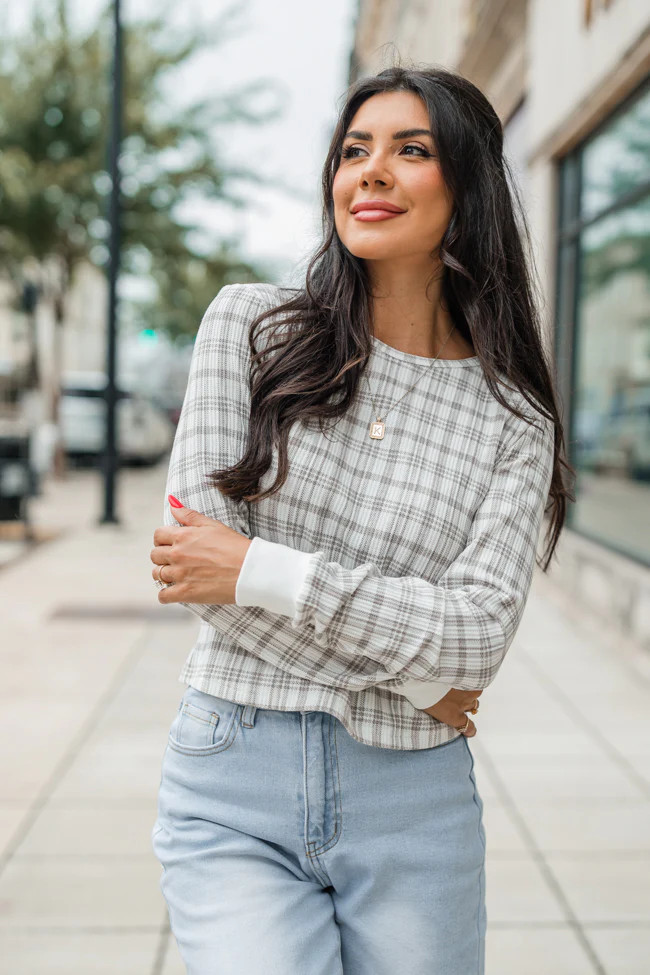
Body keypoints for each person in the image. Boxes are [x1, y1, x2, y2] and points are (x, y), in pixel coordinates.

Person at [149, 62, 573, 975]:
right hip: (233, 776)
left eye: (410, 150)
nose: (370, 172)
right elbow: (196, 567)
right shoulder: (252, 328)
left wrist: (263, 570)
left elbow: (476, 640)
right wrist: (419, 679)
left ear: (468, 187)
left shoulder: (514, 420)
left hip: (413, 803)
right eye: (354, 150)